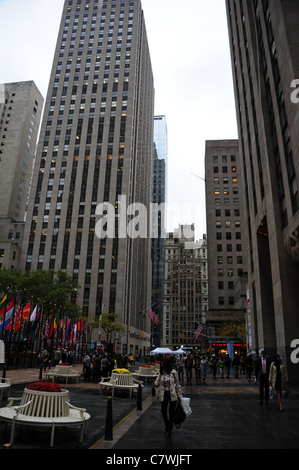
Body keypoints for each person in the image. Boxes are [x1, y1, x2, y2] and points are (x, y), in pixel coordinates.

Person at [154, 359, 182, 437]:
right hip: (164, 394)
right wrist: (154, 383)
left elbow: (177, 384)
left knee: (171, 412)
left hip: (172, 394)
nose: (163, 366)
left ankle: (170, 429)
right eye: (162, 365)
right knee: (163, 410)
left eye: (164, 365)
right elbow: (157, 382)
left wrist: (180, 395)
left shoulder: (173, 372)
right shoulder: (161, 373)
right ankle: (167, 425)